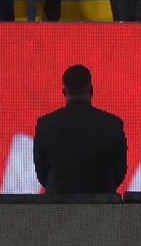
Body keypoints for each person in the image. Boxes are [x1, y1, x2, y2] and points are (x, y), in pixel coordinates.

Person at [33, 65, 127, 195]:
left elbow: (42, 173)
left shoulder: (45, 125)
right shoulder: (112, 124)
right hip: (102, 206)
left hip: (57, 206)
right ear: (91, 89)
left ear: (64, 91)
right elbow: (119, 171)